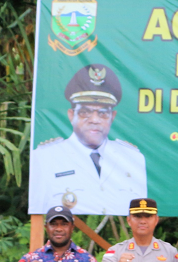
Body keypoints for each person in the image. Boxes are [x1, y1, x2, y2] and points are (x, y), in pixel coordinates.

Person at [28, 64, 147, 216]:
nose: (95, 120)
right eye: (85, 112)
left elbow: (141, 216)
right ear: (71, 115)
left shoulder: (133, 158)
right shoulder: (46, 157)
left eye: (103, 113)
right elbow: (39, 209)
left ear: (113, 117)